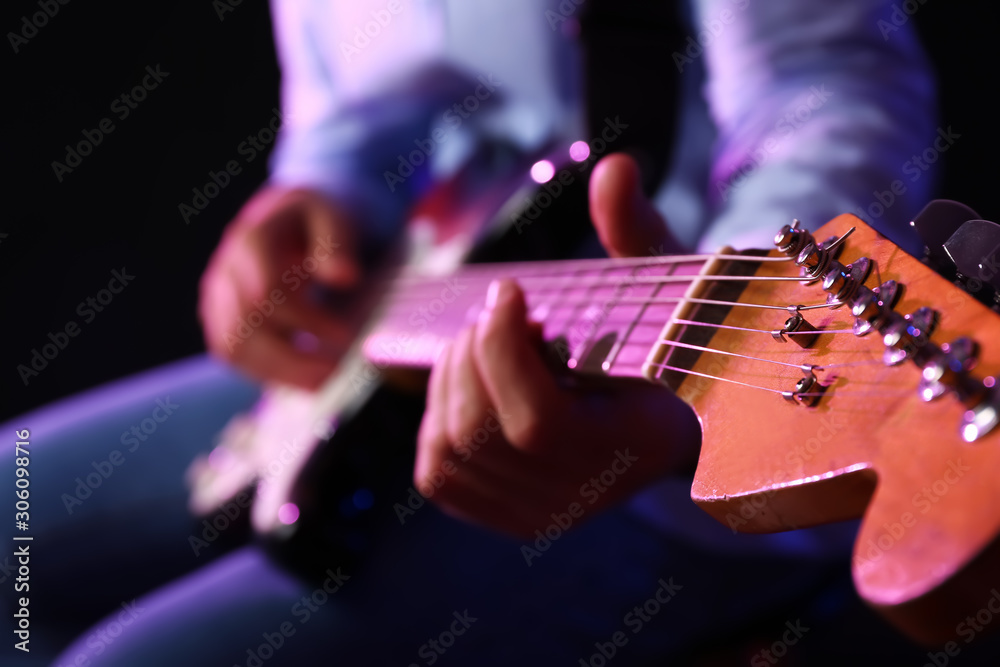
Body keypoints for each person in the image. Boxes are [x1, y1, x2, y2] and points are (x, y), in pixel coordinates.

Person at [3, 0, 946, 664]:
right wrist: (312, 197)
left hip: (680, 437)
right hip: (392, 331)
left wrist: (705, 377)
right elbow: (361, 108)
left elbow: (826, 95)